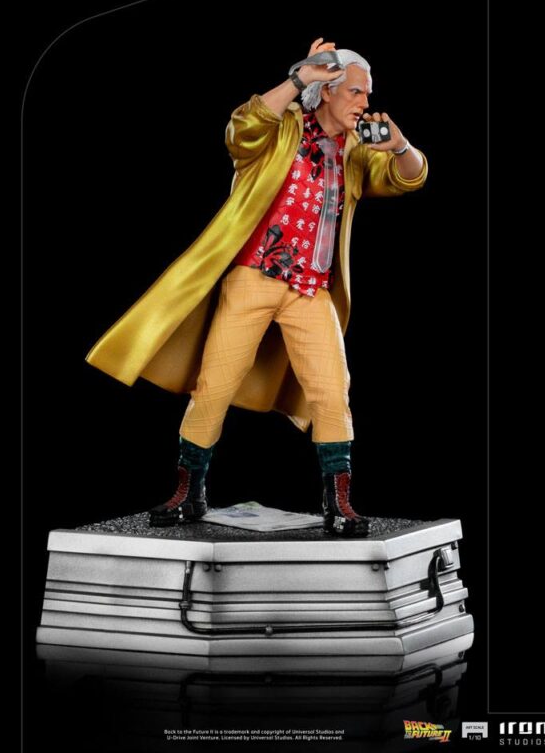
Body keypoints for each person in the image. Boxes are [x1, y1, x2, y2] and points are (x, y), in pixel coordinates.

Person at [86, 38, 428, 537]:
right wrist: (298, 78)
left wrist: (398, 145)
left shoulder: (357, 151)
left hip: (311, 290)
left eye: (366, 93)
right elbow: (242, 127)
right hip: (253, 278)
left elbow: (409, 178)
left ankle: (338, 502)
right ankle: (189, 491)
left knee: (332, 391)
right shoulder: (284, 128)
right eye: (355, 91)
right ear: (327, 91)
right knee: (215, 384)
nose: (364, 101)